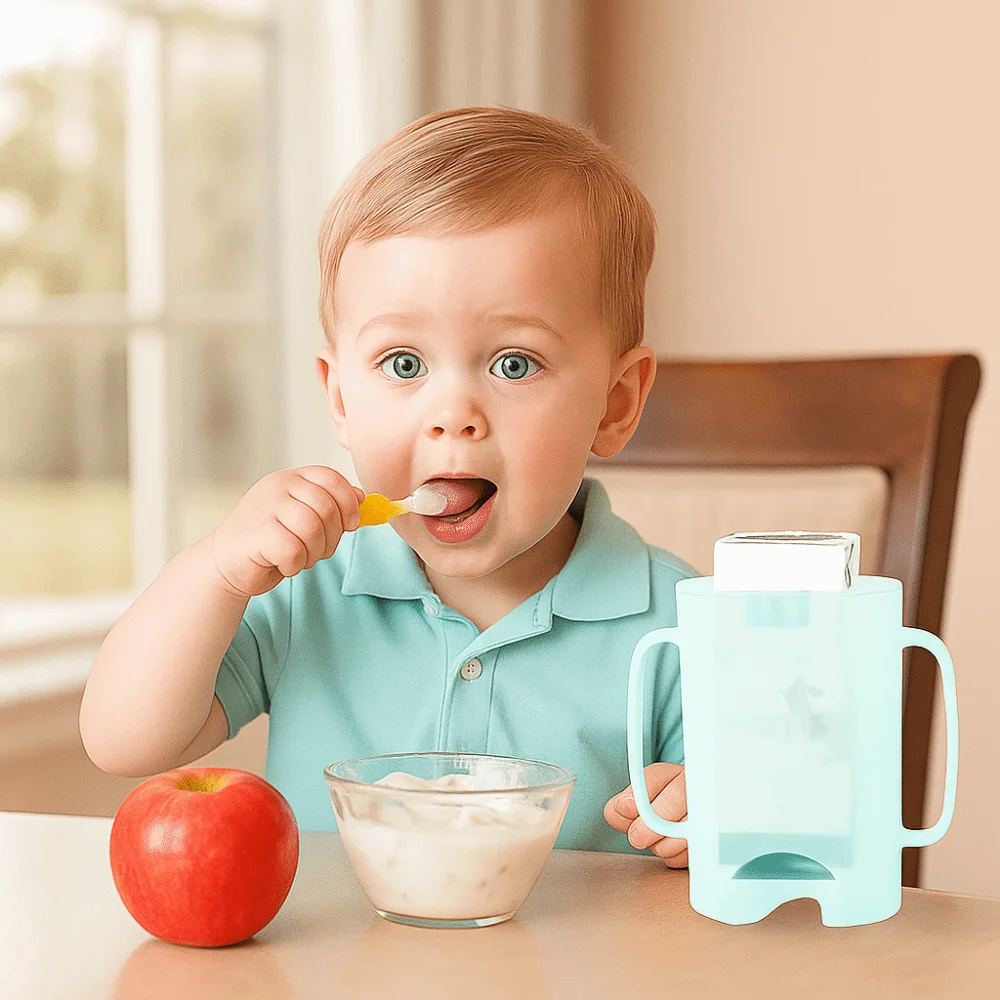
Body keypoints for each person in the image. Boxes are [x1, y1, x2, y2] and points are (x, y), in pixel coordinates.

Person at [80, 106, 695, 864]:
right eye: (404, 364)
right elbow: (122, 740)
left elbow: (772, 833)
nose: (453, 416)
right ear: (340, 399)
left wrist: (717, 812)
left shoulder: (683, 628)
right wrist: (214, 571)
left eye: (514, 364)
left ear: (617, 402)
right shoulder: (306, 590)